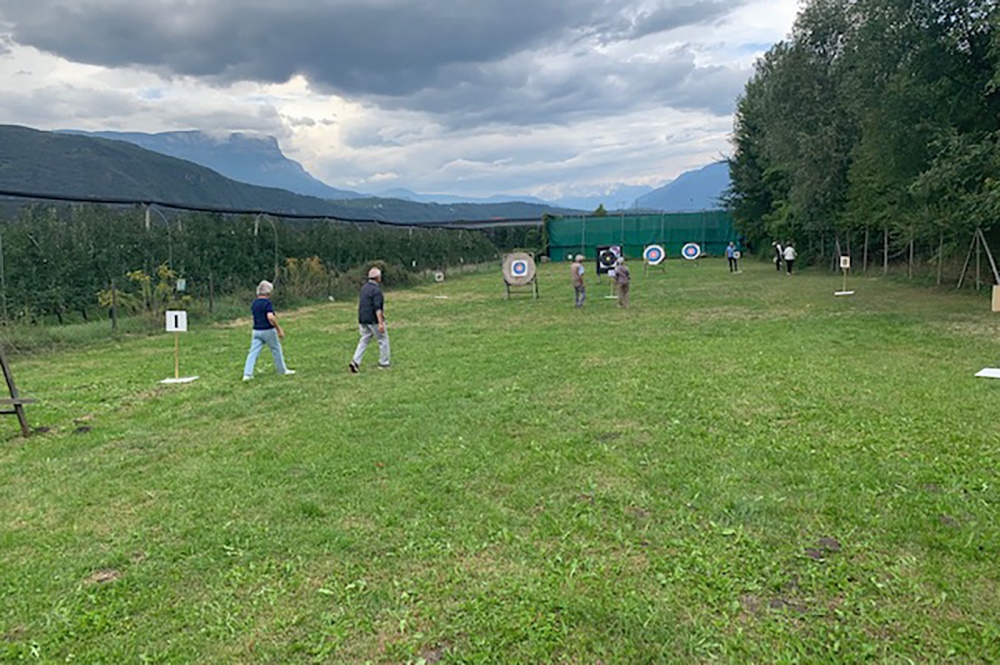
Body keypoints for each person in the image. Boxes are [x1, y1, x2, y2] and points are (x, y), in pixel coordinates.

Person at [242, 280, 295, 380]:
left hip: (256, 330)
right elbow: (270, 317)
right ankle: (282, 370)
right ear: (268, 292)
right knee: (276, 349)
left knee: (253, 352)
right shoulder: (267, 303)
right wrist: (279, 329)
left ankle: (247, 374)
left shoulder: (254, 303)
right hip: (268, 330)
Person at [349, 266, 390, 372]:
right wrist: (380, 323)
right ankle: (384, 362)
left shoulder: (364, 288)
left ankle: (355, 361)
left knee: (364, 339)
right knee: (383, 339)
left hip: (362, 319)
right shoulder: (376, 291)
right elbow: (377, 308)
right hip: (373, 320)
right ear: (377, 278)